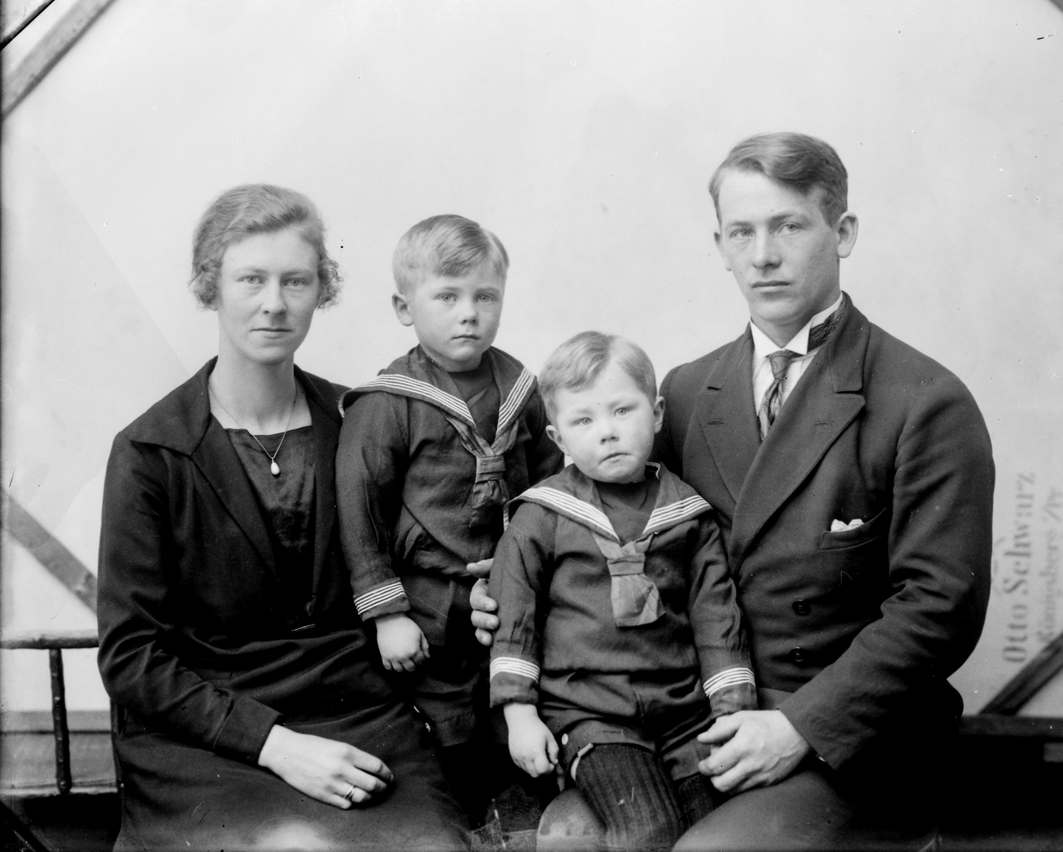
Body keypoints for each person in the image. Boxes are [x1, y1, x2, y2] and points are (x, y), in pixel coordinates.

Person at [474, 133, 994, 850]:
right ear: (719, 244)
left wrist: (798, 727)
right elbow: (605, 526)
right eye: (742, 233)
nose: (763, 255)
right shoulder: (684, 392)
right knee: (568, 838)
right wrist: (512, 590)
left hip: (849, 734)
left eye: (788, 226)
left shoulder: (923, 400)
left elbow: (941, 608)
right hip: (692, 717)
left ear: (842, 233)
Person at [97, 184, 469, 851]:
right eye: (250, 279)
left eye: (296, 280)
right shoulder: (151, 451)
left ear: (320, 291)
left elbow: (419, 560)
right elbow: (131, 656)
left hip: (359, 718)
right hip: (211, 740)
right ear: (210, 286)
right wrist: (272, 744)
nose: (274, 303)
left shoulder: (363, 421)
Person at [489, 332, 756, 852]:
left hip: (683, 712)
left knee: (716, 832)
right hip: (592, 714)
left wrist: (731, 707)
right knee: (648, 831)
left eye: (622, 410)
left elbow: (715, 616)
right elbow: (514, 617)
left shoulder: (688, 514)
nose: (606, 433)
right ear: (557, 436)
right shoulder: (541, 515)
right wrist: (519, 715)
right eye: (583, 421)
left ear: (656, 413)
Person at [336, 214, 563, 823]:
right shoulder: (388, 402)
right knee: (443, 713)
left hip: (505, 582)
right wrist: (387, 614)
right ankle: (457, 814)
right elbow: (360, 511)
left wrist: (529, 565)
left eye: (485, 296)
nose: (470, 313)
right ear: (404, 307)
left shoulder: (520, 387)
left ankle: (515, 810)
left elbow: (547, 485)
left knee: (511, 694)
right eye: (448, 296)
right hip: (426, 593)